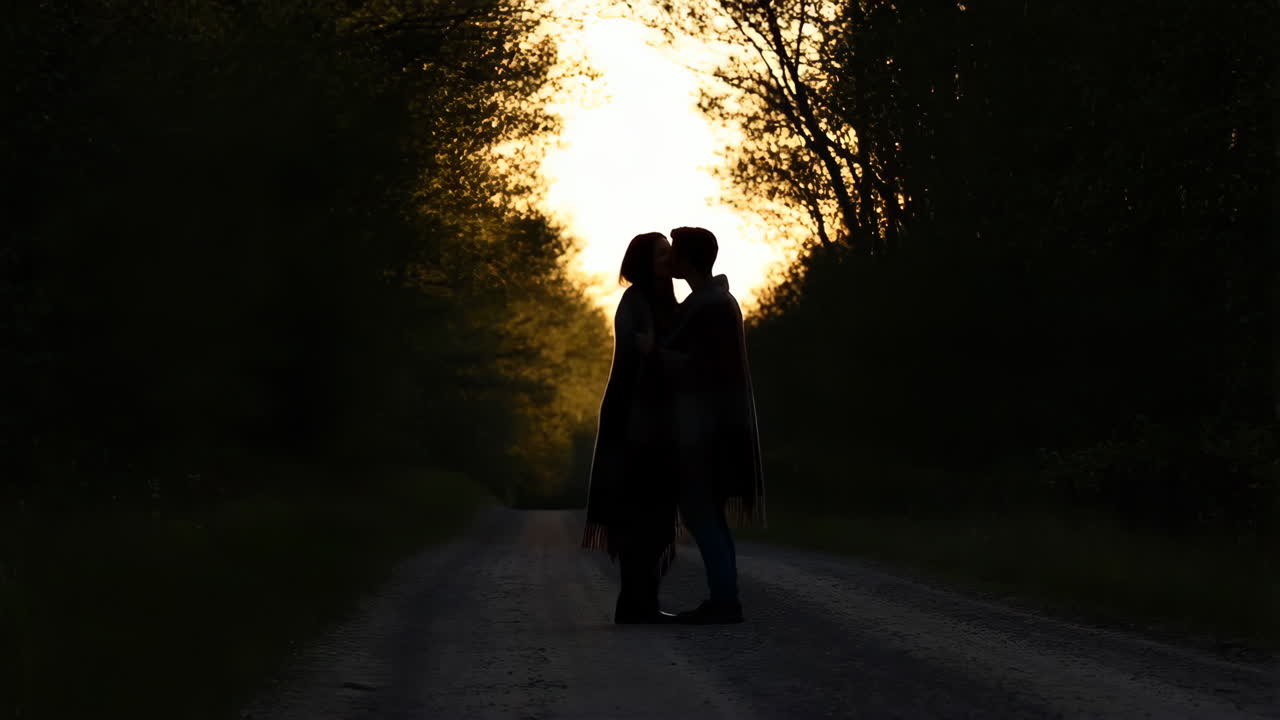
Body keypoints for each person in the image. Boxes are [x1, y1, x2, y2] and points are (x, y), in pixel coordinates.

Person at [654, 226, 766, 624]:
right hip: (712, 426)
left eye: (674, 254)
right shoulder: (709, 301)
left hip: (710, 429)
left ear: (687, 260)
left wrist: (651, 351)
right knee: (706, 513)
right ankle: (724, 597)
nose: (668, 261)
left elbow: (701, 366)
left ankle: (725, 601)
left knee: (702, 512)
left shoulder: (712, 304)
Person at [581, 232, 682, 624]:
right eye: (661, 252)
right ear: (644, 261)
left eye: (669, 252)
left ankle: (641, 603)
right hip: (634, 421)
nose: (669, 257)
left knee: (656, 514)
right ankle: (636, 604)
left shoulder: (666, 303)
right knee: (639, 512)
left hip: (659, 421)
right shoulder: (636, 303)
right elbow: (638, 364)